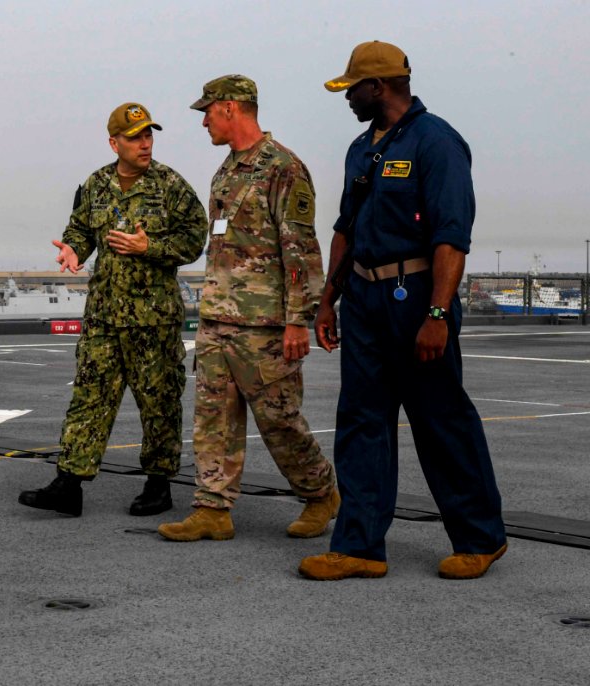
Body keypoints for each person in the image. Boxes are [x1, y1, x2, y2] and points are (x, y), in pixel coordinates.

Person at [299, 41, 507, 580]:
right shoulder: (359, 149)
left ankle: (480, 538)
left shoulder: (436, 142)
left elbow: (451, 237)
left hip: (416, 297)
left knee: (440, 422)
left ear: (381, 86)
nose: (347, 98)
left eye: (353, 88)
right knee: (361, 421)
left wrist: (436, 316)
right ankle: (361, 546)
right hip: (365, 301)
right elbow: (346, 228)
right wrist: (328, 301)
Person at [158, 75, 339, 543]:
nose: (203, 121)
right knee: (212, 419)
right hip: (219, 317)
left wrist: (298, 320)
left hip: (264, 324)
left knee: (279, 420)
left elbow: (300, 248)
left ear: (232, 108)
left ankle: (320, 493)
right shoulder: (226, 170)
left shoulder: (283, 167)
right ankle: (211, 509)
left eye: (207, 111)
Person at [18, 102, 208, 518]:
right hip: (104, 314)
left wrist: (151, 247)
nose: (145, 143)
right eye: (136, 136)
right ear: (114, 142)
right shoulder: (96, 185)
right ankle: (69, 483)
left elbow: (196, 239)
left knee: (158, 403)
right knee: (89, 396)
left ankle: (159, 485)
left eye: (149, 135)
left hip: (153, 319)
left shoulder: (170, 186)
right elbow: (81, 228)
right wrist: (74, 248)